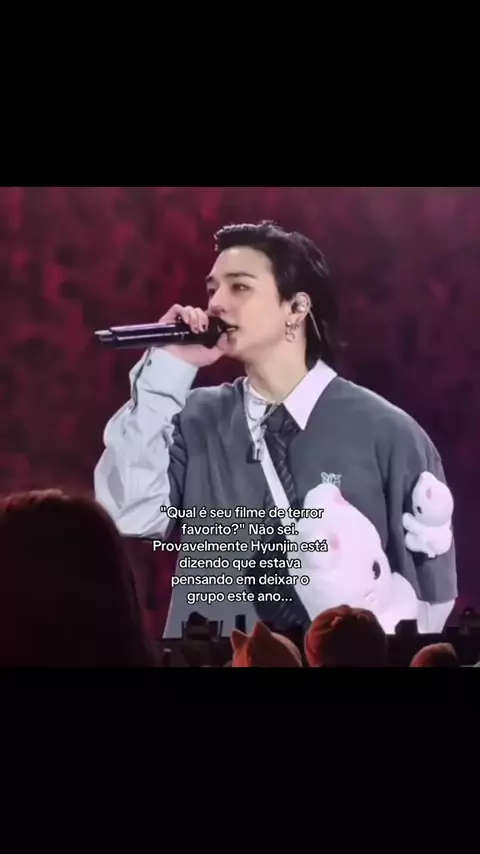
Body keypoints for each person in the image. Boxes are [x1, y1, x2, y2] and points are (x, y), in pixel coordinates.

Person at [94, 221, 457, 637]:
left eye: (239, 287)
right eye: (213, 290)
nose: (216, 304)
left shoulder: (388, 433)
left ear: (297, 308)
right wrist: (168, 368)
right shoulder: (192, 416)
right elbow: (129, 514)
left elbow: (430, 605)